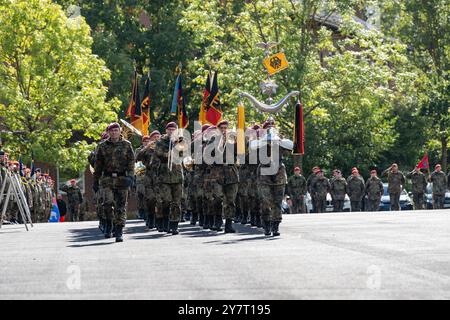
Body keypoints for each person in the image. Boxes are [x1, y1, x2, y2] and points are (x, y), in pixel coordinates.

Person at [93, 122, 135, 242]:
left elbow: (131, 162)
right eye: (112, 131)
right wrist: (95, 181)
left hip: (122, 178)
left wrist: (131, 177)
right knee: (107, 203)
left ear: (120, 131)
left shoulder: (127, 145)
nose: (114, 132)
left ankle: (119, 231)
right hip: (107, 179)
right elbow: (98, 165)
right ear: (109, 132)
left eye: (116, 130)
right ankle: (109, 224)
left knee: (120, 206)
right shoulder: (102, 146)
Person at [256, 117, 290, 236]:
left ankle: (275, 226)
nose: (271, 127)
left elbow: (289, 150)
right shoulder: (259, 141)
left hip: (279, 173)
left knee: (277, 202)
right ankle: (266, 225)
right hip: (264, 175)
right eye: (268, 125)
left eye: (272, 125)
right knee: (266, 201)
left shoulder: (279, 140)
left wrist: (279, 141)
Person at [152, 122, 184, 235]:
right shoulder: (160, 141)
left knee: (176, 202)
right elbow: (159, 154)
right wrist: (170, 153)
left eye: (173, 129)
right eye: (169, 129)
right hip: (164, 176)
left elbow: (182, 154)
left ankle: (174, 225)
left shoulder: (181, 141)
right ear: (166, 130)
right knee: (165, 201)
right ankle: (164, 221)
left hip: (177, 175)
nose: (171, 131)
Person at [135, 130, 161, 230]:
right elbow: (138, 158)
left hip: (161, 176)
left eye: (158, 136)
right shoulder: (147, 149)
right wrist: (147, 147)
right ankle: (150, 218)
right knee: (150, 199)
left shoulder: (163, 147)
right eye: (154, 137)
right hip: (149, 177)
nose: (156, 138)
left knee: (160, 200)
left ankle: (159, 220)